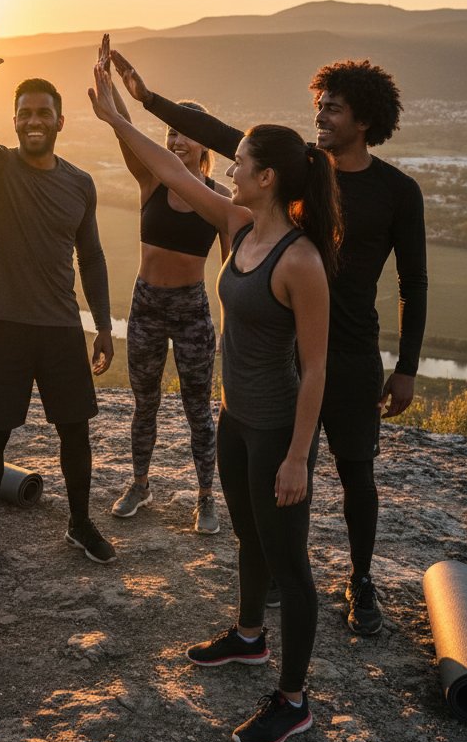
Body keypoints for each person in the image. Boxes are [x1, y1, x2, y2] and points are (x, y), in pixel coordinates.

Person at [110, 50, 427, 636]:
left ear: (365, 120)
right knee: (278, 479)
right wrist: (144, 99)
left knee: (356, 473)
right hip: (286, 351)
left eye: (334, 107)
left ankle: (360, 581)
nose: (322, 114)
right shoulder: (297, 174)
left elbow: (414, 281)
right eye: (320, 104)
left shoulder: (396, 191)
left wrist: (406, 365)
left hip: (351, 354)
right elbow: (216, 141)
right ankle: (276, 575)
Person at [90, 54, 342, 742]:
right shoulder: (239, 228)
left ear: (267, 178)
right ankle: (249, 637)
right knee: (248, 537)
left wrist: (297, 456)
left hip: (276, 431)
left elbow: (315, 369)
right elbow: (170, 171)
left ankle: (293, 700)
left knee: (290, 567)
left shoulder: (300, 259)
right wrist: (118, 115)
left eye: (240, 163)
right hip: (236, 422)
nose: (228, 168)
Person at [0, 21, 116, 577]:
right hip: (4, 326)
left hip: (61, 328)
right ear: (14, 120)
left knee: (75, 432)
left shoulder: (80, 184)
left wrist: (104, 326)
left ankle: (80, 522)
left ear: (60, 121)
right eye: (25, 112)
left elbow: (90, 257)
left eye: (44, 112)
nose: (34, 120)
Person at [98, 38, 230, 534]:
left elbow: (232, 269)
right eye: (172, 133)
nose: (176, 141)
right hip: (147, 305)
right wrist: (110, 95)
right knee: (144, 402)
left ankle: (205, 497)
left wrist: (231, 325)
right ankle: (139, 483)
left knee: (199, 407)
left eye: (186, 135)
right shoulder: (152, 183)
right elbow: (129, 135)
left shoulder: (218, 198)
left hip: (193, 310)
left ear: (204, 146)